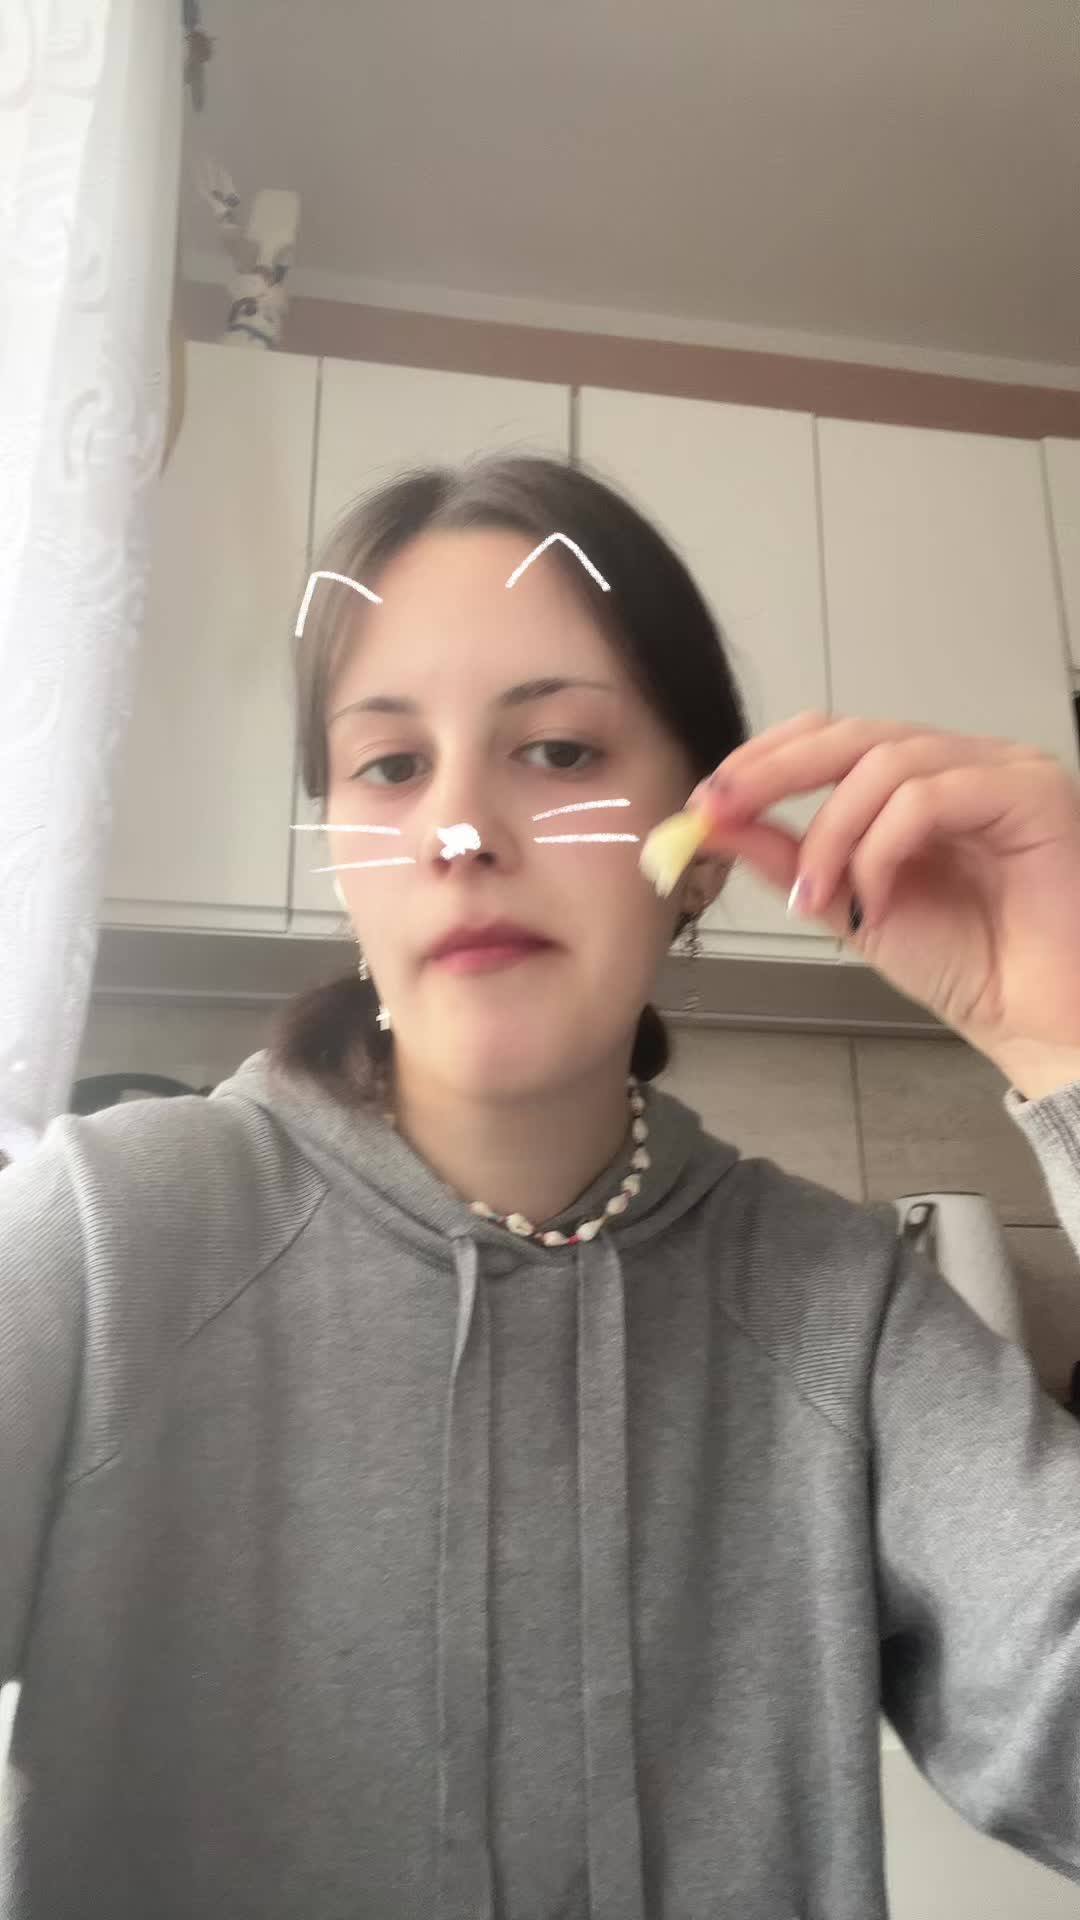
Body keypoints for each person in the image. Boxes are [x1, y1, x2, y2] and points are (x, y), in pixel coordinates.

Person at [3, 451, 1080, 1920]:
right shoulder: (109, 1239)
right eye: (391, 767)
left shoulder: (852, 1319)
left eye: (561, 751)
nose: (460, 834)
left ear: (704, 849)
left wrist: (1069, 1037)